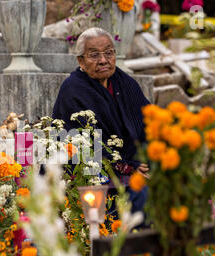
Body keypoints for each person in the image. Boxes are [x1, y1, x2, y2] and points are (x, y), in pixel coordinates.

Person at [51, 27, 151, 228]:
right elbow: (83, 147)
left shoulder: (124, 82)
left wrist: (145, 161)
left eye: (109, 52)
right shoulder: (73, 90)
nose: (103, 60)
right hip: (95, 176)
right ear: (81, 61)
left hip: (134, 168)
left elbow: (148, 122)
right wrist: (127, 167)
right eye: (94, 55)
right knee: (140, 195)